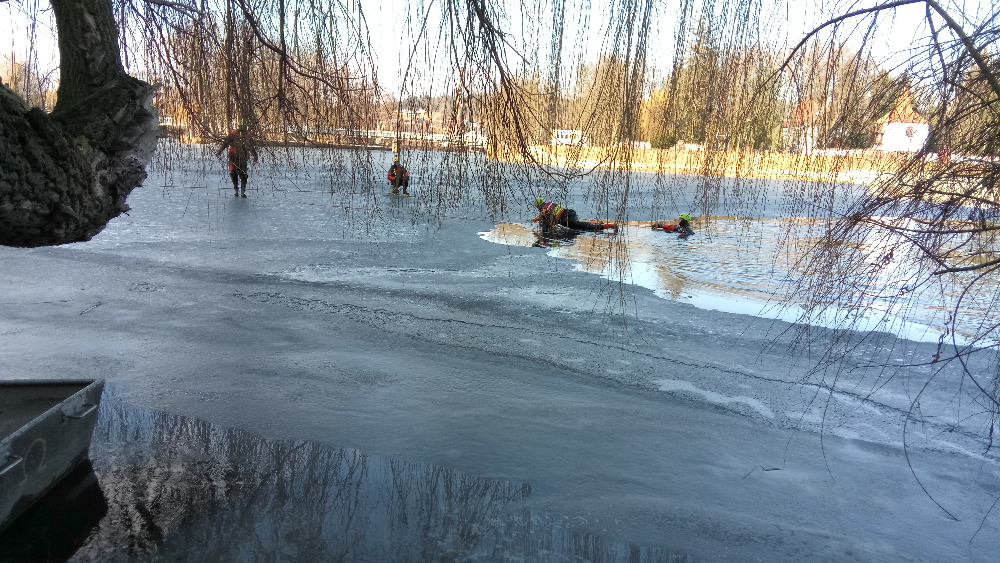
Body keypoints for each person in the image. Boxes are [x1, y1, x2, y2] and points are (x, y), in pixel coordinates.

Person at [216, 123, 259, 197]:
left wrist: (255, 156)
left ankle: (242, 191)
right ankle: (236, 189)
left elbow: (251, 148)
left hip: (243, 158)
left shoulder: (247, 137)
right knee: (233, 174)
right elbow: (225, 144)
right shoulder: (233, 135)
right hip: (233, 157)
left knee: (243, 174)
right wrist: (219, 151)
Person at [532, 197, 617, 233]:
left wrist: (539, 221)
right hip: (570, 212)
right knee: (582, 223)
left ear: (539, 206)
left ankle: (609, 226)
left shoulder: (544, 210)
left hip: (567, 220)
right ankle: (599, 223)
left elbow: (547, 221)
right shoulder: (550, 203)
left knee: (585, 227)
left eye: (538, 208)